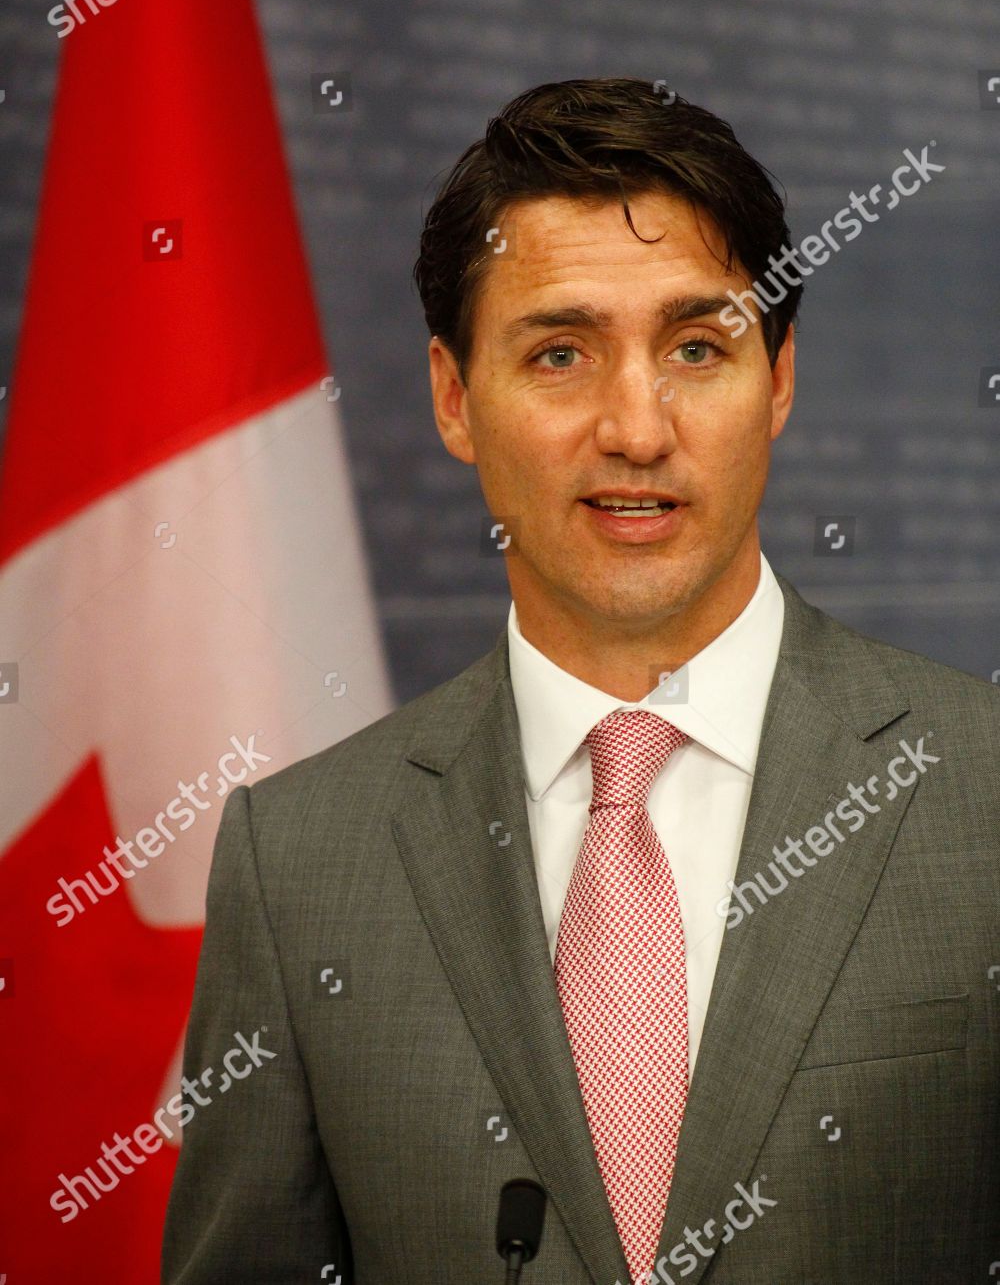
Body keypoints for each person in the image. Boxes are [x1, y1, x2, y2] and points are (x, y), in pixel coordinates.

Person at [161, 78, 999, 1285]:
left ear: (778, 380)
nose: (637, 428)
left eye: (697, 348)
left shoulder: (977, 795)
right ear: (454, 398)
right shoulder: (296, 867)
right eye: (560, 353)